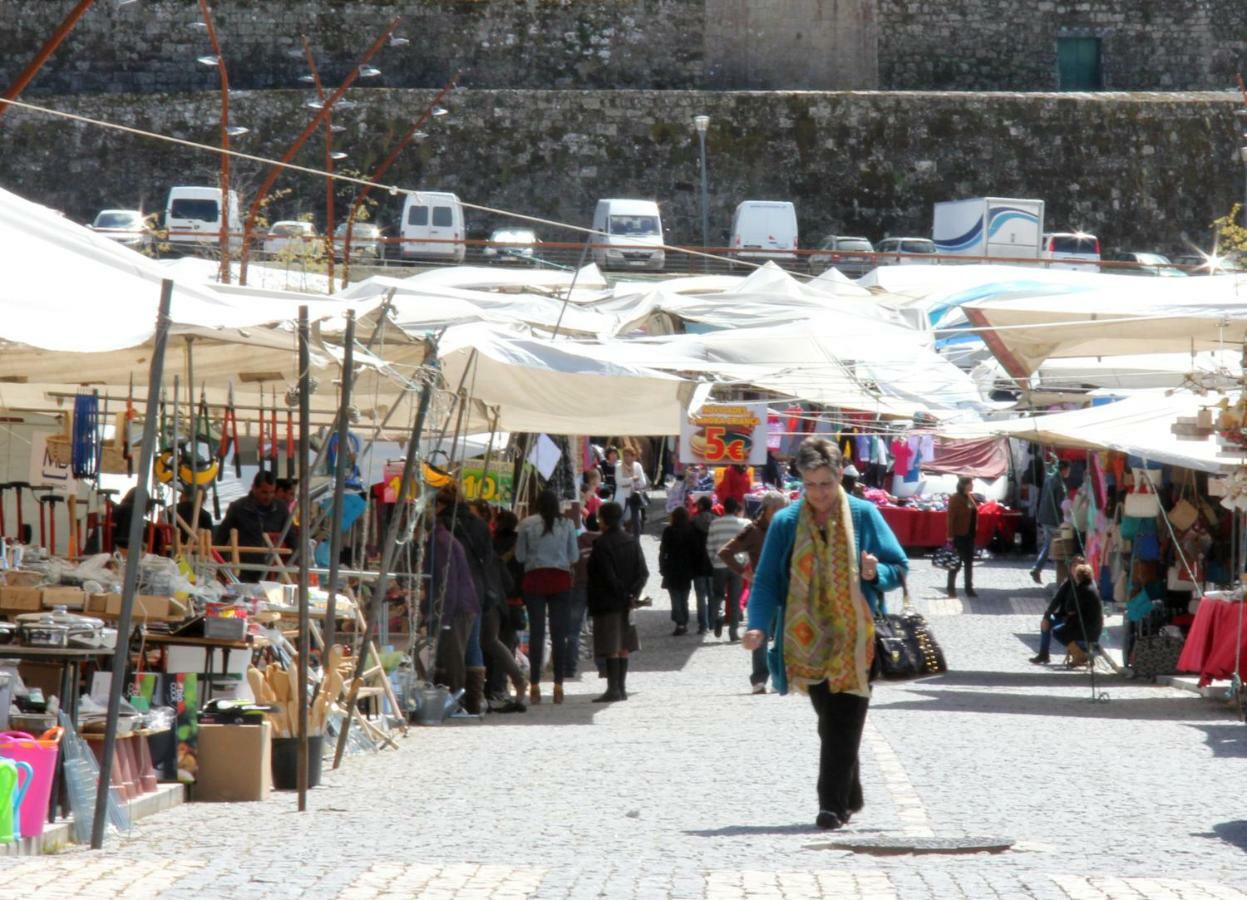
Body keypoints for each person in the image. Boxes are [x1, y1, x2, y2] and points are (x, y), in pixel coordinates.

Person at [742, 437, 908, 831]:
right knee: (829, 720)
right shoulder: (785, 522)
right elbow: (766, 581)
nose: (818, 493)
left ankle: (830, 805)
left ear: (839, 478)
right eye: (810, 484)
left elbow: (898, 566)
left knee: (844, 718)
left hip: (857, 635)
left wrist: (875, 573)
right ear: (800, 481)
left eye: (826, 484)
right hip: (805, 638)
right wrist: (757, 625)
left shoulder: (865, 515)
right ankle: (850, 791)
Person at [719, 490, 789, 692]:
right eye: (780, 510)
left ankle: (779, 676)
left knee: (783, 634)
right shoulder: (753, 531)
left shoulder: (787, 529)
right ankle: (759, 679)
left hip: (786, 587)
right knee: (760, 633)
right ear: (769, 510)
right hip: (764, 589)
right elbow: (726, 552)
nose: (784, 513)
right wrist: (745, 573)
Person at [515, 490, 579, 704]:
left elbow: (520, 556)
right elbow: (574, 556)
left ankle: (534, 683)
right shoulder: (568, 525)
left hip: (534, 579)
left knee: (537, 632)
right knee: (560, 633)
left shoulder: (526, 524)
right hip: (560, 580)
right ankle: (558, 683)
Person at [587, 501, 648, 703]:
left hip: (608, 600)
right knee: (623, 644)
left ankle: (613, 689)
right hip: (627, 602)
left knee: (611, 645)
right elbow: (643, 573)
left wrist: (623, 594)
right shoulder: (631, 540)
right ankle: (620, 688)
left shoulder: (602, 545)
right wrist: (632, 594)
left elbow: (607, 576)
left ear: (604, 520)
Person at [423, 516, 480, 697]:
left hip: (457, 607)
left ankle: (457, 699)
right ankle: (455, 697)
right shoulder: (444, 538)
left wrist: (444, 615)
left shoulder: (439, 542)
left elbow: (447, 580)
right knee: (451, 654)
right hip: (461, 604)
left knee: (453, 656)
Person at [215, 471, 290, 583]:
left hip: (273, 571)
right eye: (264, 492)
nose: (268, 496)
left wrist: (296, 561)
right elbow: (221, 539)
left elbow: (291, 536)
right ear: (254, 488)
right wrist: (220, 570)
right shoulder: (238, 508)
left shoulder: (281, 509)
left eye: (272, 492)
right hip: (245, 570)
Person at [1030, 557, 1103, 666]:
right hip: (1069, 618)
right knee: (1047, 621)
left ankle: (1079, 655)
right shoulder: (1070, 582)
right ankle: (1044, 654)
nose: (1074, 569)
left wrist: (1070, 613)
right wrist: (1046, 615)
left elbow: (1073, 609)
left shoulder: (1086, 586)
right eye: (1074, 566)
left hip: (1080, 623)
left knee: (1059, 631)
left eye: (1077, 567)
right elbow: (1057, 599)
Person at [707, 496, 751, 641]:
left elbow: (710, 545)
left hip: (719, 565)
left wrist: (714, 559)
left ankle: (718, 615)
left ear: (724, 508)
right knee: (734, 598)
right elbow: (747, 546)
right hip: (737, 566)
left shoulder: (715, 523)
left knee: (718, 594)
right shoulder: (744, 523)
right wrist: (744, 561)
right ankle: (733, 631)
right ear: (737, 509)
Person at [659, 506, 704, 636]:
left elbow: (663, 550)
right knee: (684, 596)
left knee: (675, 597)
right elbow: (696, 551)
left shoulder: (668, 531)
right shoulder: (691, 530)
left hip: (671, 567)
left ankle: (680, 622)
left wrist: (662, 566)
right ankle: (683, 620)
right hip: (687, 568)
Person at [1030, 460, 1070, 585]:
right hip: (1053, 519)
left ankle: (1037, 568)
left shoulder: (1049, 479)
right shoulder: (1059, 484)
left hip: (1044, 517)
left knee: (1048, 545)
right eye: (1068, 469)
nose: (1069, 472)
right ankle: (1041, 570)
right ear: (1064, 470)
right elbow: (1061, 505)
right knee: (1060, 547)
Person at [945, 475, 979, 599]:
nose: (972, 485)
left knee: (969, 563)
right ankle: (950, 589)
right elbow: (950, 518)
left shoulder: (969, 497)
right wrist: (949, 536)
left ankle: (969, 588)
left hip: (969, 535)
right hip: (959, 535)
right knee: (956, 563)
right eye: (970, 483)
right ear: (964, 485)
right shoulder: (955, 498)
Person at [690, 495, 716, 634]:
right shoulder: (717, 522)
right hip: (713, 562)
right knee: (712, 594)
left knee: (700, 596)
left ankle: (703, 625)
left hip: (697, 563)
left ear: (700, 506)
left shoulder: (693, 522)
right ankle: (712, 622)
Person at [614, 446, 650, 538]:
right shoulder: (618, 467)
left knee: (635, 519)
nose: (626, 458)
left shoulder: (637, 466)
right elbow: (619, 481)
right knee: (619, 518)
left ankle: (636, 541)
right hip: (622, 495)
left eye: (628, 456)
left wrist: (629, 482)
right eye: (624, 456)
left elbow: (643, 482)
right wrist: (632, 479)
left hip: (634, 495)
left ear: (633, 457)